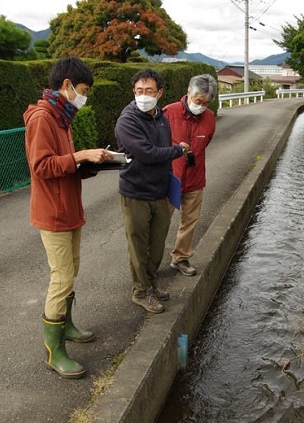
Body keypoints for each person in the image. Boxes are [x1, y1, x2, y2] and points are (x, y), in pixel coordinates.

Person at [23, 56, 113, 379]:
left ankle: (67, 324)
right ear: (67, 86)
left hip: (70, 209)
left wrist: (89, 164)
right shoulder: (42, 119)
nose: (83, 96)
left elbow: (65, 165)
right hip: (53, 213)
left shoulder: (62, 117)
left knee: (70, 271)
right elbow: (41, 167)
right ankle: (54, 351)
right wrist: (79, 156)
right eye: (83, 90)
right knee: (61, 278)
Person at [115, 68, 190, 314]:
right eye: (139, 91)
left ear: (159, 93)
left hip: (159, 192)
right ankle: (140, 291)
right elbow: (146, 153)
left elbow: (162, 151)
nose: (143, 95)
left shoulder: (160, 117)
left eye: (149, 91)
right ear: (133, 92)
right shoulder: (128, 120)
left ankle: (150, 283)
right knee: (139, 246)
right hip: (135, 193)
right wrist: (178, 150)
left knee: (157, 246)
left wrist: (170, 184)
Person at [163, 74, 217, 277]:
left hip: (195, 178)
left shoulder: (209, 118)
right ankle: (150, 264)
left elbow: (207, 141)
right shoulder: (169, 112)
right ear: (188, 93)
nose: (201, 106)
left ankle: (180, 258)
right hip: (169, 176)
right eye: (198, 101)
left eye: (206, 102)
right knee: (161, 221)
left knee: (189, 220)